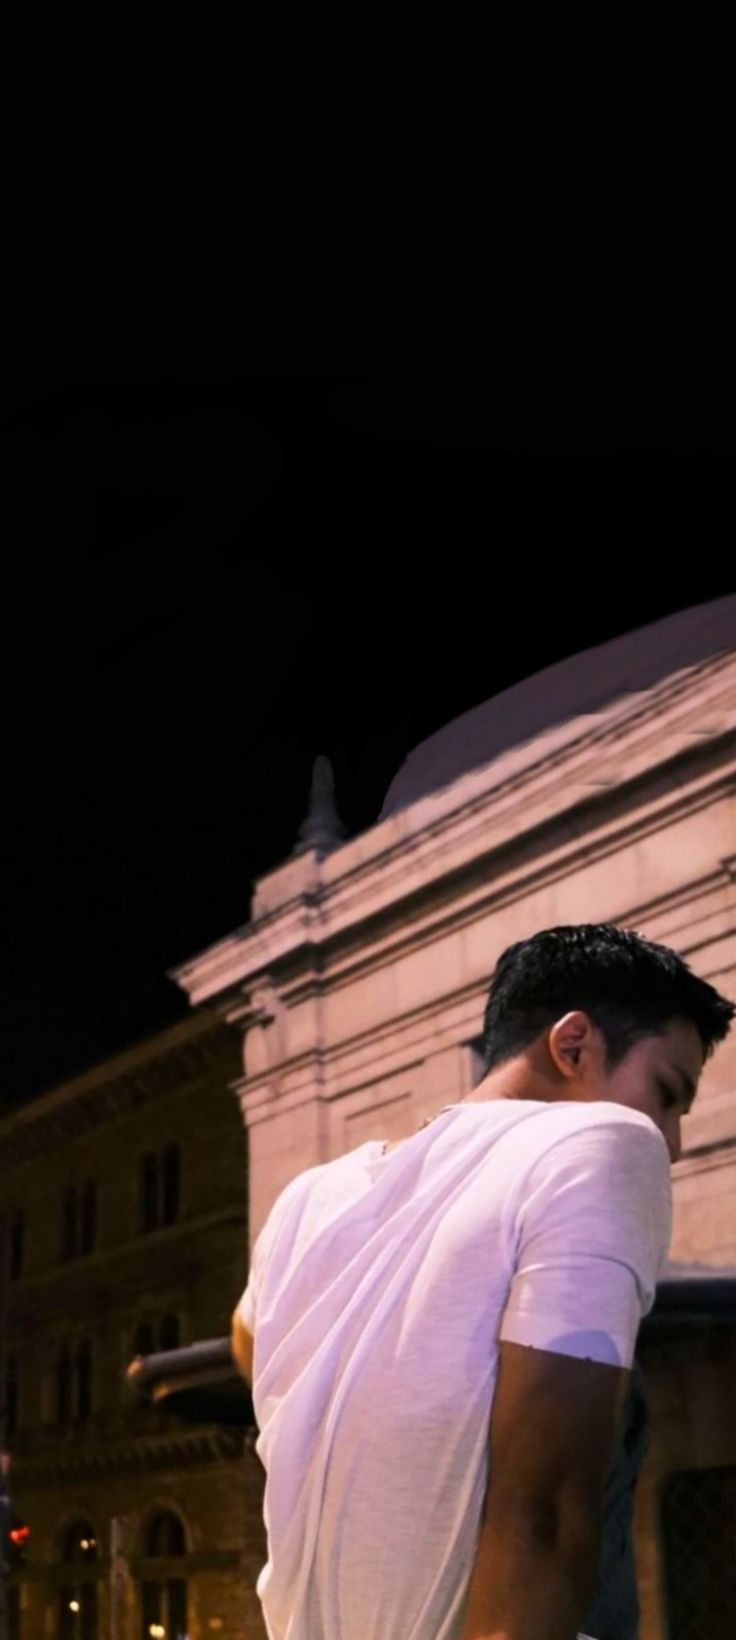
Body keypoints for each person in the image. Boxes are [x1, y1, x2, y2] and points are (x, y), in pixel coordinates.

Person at [231, 923, 734, 1640]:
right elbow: (549, 1510)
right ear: (574, 1045)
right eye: (666, 1092)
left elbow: (247, 1336)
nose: (673, 1142)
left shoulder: (309, 1197)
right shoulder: (603, 1142)